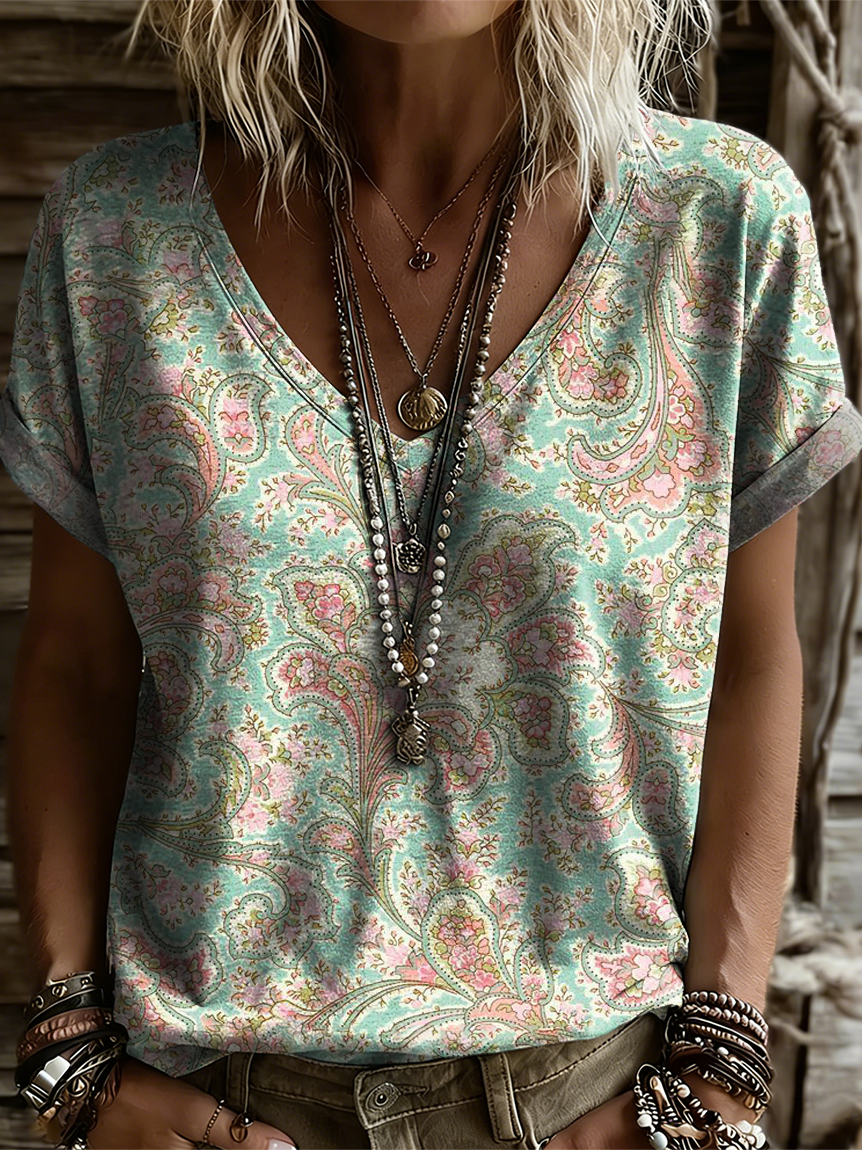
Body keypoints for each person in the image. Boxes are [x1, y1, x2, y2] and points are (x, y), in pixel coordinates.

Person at [4, 1, 862, 1148]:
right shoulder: (116, 233)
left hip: (597, 1092)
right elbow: (75, 667)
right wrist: (70, 1060)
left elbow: (751, 656)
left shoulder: (719, 221)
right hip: (216, 1092)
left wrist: (719, 1073)